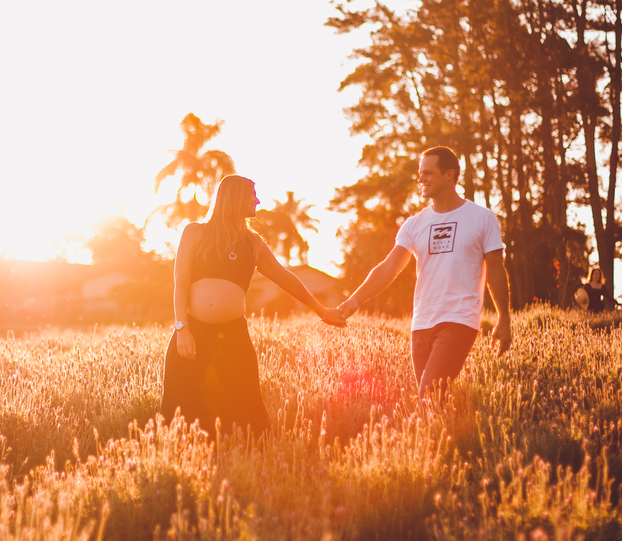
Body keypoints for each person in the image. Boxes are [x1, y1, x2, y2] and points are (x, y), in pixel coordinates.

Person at [162, 174, 344, 434]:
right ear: (235, 198)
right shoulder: (195, 231)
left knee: (249, 406)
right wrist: (182, 328)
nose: (258, 201)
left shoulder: (253, 242)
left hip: (233, 334)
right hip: (193, 329)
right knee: (176, 403)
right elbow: (180, 281)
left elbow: (286, 279)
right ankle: (183, 456)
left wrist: (321, 310)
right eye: (253, 196)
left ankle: (254, 457)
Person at [331, 146, 511, 396]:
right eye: (420, 173)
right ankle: (445, 435)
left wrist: (504, 317)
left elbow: (496, 270)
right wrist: (354, 301)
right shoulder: (414, 224)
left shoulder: (482, 218)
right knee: (433, 403)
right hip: (421, 324)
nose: (420, 179)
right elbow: (388, 268)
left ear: (449, 175)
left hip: (459, 320)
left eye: (428, 173)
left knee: (428, 395)